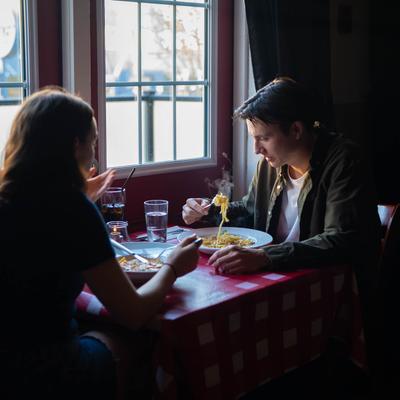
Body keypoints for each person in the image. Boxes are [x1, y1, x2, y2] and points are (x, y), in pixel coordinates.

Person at [0, 87, 201, 400]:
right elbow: (132, 313)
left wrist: (81, 199)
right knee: (141, 340)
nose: (94, 153)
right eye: (93, 141)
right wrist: (173, 267)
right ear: (75, 144)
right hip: (45, 374)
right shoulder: (71, 209)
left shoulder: (10, 195)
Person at [182, 77, 381, 376]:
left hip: (332, 300)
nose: (256, 149)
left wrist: (265, 257)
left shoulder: (344, 160)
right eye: (253, 138)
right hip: (281, 285)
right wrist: (207, 213)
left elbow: (342, 240)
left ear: (297, 131)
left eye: (263, 137)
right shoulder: (271, 165)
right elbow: (250, 211)